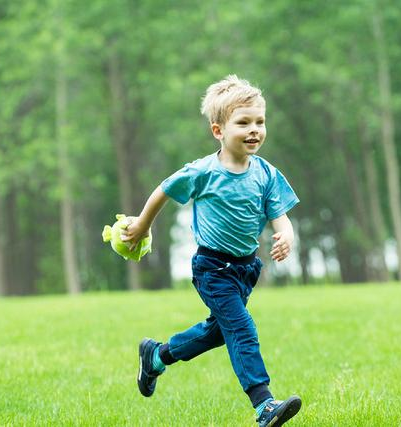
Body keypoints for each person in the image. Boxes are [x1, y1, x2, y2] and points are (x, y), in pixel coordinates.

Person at [122, 75, 301, 426]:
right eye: (244, 123)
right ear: (218, 131)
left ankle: (156, 357)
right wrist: (143, 226)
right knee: (243, 329)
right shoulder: (204, 171)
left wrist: (286, 235)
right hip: (213, 268)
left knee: (219, 331)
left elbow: (279, 215)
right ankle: (264, 405)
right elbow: (163, 189)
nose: (254, 130)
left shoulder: (265, 174)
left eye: (260, 122)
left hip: (246, 270)